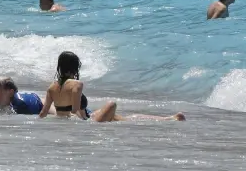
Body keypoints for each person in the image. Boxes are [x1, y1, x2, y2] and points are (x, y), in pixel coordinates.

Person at [39, 51, 185, 122]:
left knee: (116, 116)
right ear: (75, 67)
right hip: (80, 122)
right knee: (112, 105)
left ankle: (169, 119)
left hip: (65, 120)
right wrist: (88, 120)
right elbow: (76, 111)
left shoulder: (52, 87)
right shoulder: (77, 85)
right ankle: (167, 119)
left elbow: (44, 113)